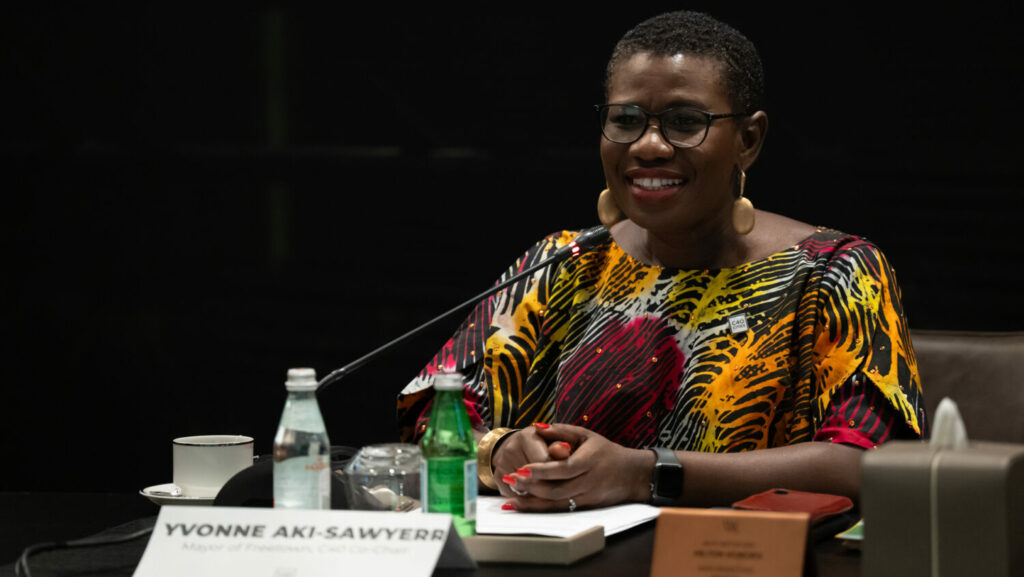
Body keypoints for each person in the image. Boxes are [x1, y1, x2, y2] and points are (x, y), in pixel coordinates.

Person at [397, 10, 927, 512]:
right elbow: (432, 408)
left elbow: (867, 463)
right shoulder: (563, 262)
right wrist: (501, 450)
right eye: (626, 119)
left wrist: (645, 474)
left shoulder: (834, 271)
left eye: (684, 121)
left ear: (748, 139)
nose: (649, 146)